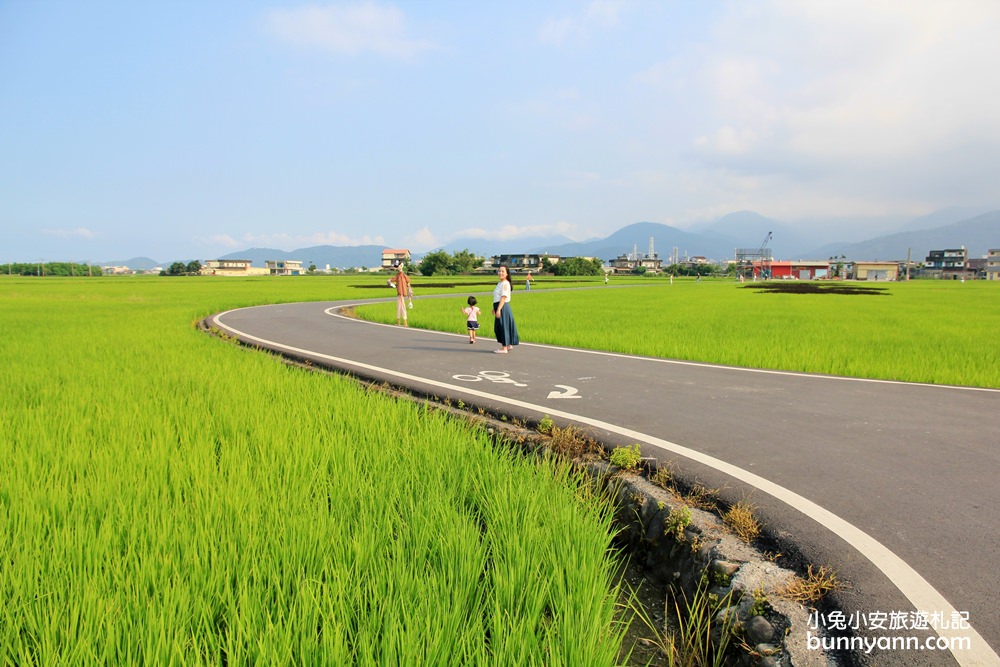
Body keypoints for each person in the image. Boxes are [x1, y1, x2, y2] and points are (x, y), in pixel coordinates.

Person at [493, 265, 519, 353]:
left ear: (507, 273)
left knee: (502, 327)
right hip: (500, 306)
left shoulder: (505, 283)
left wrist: (499, 309)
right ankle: (508, 344)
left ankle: (504, 348)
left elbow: (503, 297)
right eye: (499, 271)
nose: (500, 273)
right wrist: (494, 308)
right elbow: (497, 297)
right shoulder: (500, 283)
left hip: (502, 306)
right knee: (504, 326)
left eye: (503, 271)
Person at [393, 261, 410, 326]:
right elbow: (391, 280)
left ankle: (404, 322)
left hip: (402, 294)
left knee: (402, 307)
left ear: (401, 266)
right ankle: (399, 322)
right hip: (400, 294)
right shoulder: (398, 276)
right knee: (399, 307)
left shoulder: (403, 276)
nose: (397, 268)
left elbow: (408, 283)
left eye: (398, 266)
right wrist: (390, 283)